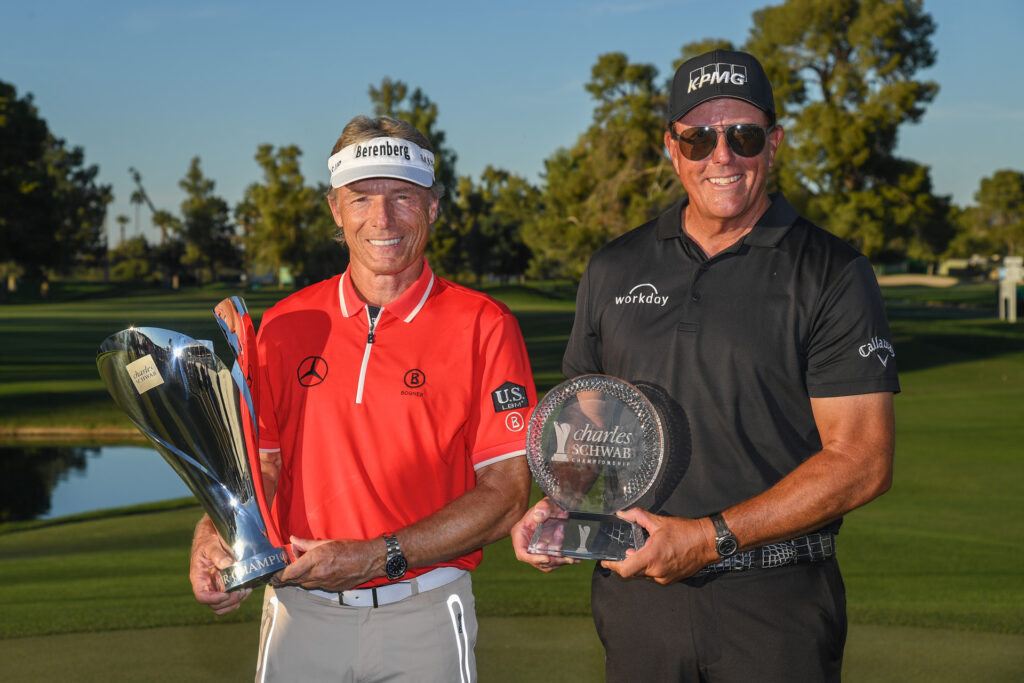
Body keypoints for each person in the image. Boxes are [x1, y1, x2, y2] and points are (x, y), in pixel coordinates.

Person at [512, 49, 899, 682]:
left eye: (743, 136)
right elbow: (588, 428)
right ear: (673, 147)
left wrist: (708, 537)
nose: (722, 155)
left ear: (773, 145)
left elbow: (863, 460)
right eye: (699, 137)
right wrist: (564, 505)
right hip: (638, 602)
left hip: (775, 607)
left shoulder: (832, 271)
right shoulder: (614, 267)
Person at [190, 115, 537, 682]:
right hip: (299, 611)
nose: (382, 219)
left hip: (424, 610)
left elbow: (505, 495)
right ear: (335, 209)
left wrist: (377, 556)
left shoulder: (484, 326)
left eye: (402, 196)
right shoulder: (284, 324)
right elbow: (260, 469)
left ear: (433, 206)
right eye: (361, 198)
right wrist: (215, 536)